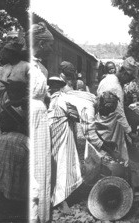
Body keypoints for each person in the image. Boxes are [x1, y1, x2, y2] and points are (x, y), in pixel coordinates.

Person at [0, 79, 29, 214]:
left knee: (15, 171)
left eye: (12, 92)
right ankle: (2, 197)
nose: (10, 94)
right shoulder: (8, 104)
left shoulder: (26, 106)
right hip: (8, 138)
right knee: (3, 168)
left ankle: (12, 200)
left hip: (20, 140)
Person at [0, 42, 29, 165]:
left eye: (6, 53)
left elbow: (28, 89)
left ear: (13, 54)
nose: (4, 55)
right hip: (0, 103)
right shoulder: (4, 68)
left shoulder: (26, 66)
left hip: (15, 105)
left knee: (11, 131)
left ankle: (10, 160)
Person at [29, 22, 54, 222]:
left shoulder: (42, 68)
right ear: (40, 43)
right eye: (48, 45)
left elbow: (44, 93)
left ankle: (41, 212)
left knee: (41, 158)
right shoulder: (27, 66)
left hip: (40, 114)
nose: (51, 49)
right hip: (30, 114)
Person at [92, 57, 139, 164]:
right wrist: (130, 132)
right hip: (110, 124)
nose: (127, 82)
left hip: (107, 121)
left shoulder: (110, 79)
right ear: (124, 73)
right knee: (110, 153)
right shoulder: (114, 86)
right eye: (128, 79)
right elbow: (119, 113)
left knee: (107, 154)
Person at [48, 76, 83, 213]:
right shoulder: (63, 99)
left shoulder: (47, 99)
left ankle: (54, 197)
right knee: (63, 165)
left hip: (50, 135)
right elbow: (77, 116)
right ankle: (61, 200)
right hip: (61, 136)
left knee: (54, 165)